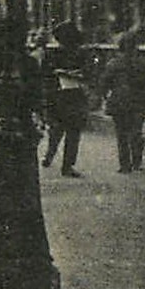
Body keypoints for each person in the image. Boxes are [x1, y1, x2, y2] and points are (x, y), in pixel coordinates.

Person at [101, 30, 145, 173]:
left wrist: (105, 95)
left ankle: (125, 165)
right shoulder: (143, 63)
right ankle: (137, 161)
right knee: (136, 131)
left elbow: (105, 82)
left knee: (121, 134)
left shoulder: (113, 63)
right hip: (139, 101)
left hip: (119, 101)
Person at [41, 21, 89, 177]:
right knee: (72, 132)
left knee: (57, 130)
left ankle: (50, 156)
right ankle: (66, 165)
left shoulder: (53, 53)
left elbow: (45, 75)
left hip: (60, 95)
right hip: (72, 95)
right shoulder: (80, 53)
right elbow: (89, 73)